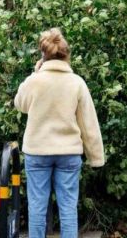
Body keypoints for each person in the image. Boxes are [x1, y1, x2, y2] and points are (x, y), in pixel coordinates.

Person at [15, 28, 105, 238]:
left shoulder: (36, 80)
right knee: (68, 209)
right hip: (68, 153)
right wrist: (96, 157)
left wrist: (35, 73)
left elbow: (20, 104)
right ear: (66, 55)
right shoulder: (77, 83)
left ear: (43, 55)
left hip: (37, 152)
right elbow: (88, 123)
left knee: (36, 208)